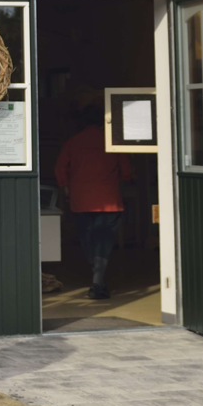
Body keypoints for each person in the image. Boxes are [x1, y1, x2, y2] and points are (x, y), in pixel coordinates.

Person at [54, 102, 132, 301]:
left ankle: (98, 280)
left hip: (81, 199)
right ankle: (98, 282)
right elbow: (126, 171)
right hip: (109, 199)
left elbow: (60, 168)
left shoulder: (73, 141)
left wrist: (66, 187)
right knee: (103, 240)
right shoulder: (112, 141)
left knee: (87, 239)